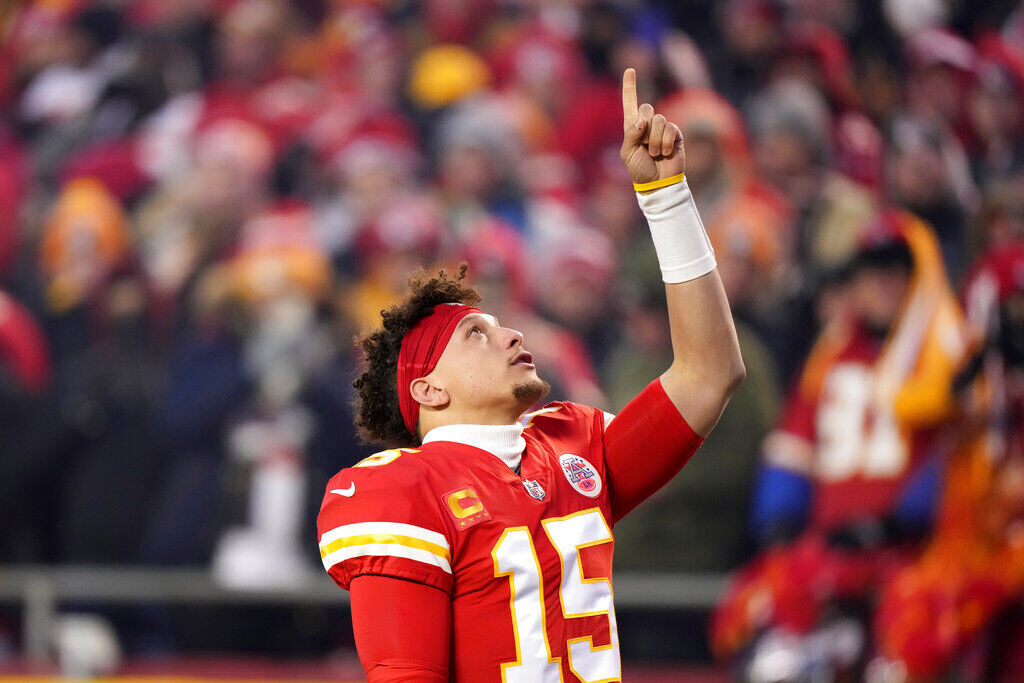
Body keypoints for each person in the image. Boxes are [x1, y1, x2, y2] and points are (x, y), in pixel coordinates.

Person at [315, 68, 745, 681]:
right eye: (476, 335)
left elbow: (711, 372)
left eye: (499, 324)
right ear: (428, 389)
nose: (512, 334)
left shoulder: (575, 449)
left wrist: (667, 196)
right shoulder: (403, 488)